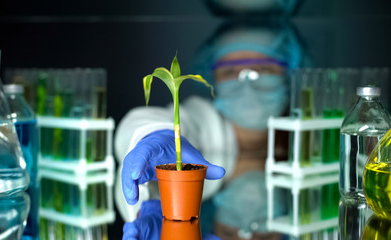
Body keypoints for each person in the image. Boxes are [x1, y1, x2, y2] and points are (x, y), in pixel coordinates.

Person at [115, 19, 308, 240]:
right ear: (213, 79)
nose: (246, 82)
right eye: (230, 72)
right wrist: (155, 135)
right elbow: (145, 122)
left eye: (262, 69)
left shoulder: (311, 137)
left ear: (289, 75)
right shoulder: (203, 120)